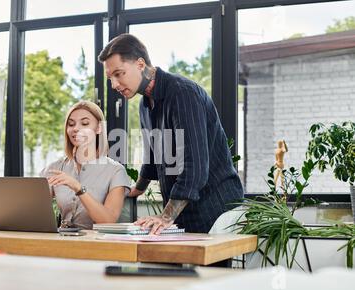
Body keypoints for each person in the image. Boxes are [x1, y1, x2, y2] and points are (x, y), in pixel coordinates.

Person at [98, 33, 244, 235]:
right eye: (110, 78)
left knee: (205, 268)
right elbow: (152, 154)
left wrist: (165, 216)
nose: (114, 85)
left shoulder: (183, 94)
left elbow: (195, 168)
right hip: (184, 211)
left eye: (119, 74)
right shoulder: (145, 104)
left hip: (215, 209)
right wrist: (136, 189)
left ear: (140, 64)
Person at [40, 101, 131, 230]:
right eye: (71, 124)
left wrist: (78, 188)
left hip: (97, 244)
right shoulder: (54, 168)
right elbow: (32, 209)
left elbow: (107, 220)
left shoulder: (115, 171)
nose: (75, 128)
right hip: (62, 241)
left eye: (85, 123)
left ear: (99, 128)